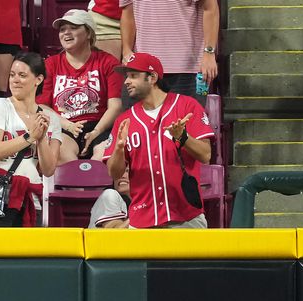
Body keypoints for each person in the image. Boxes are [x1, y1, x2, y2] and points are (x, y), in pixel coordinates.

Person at [102, 52, 214, 228]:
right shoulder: (124, 121)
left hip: (186, 217)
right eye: (126, 76)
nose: (126, 81)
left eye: (133, 76)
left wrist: (183, 137)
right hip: (142, 220)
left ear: (152, 77)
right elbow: (114, 173)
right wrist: (118, 148)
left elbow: (206, 155)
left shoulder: (187, 106)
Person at [0, 51, 61, 226]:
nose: (15, 80)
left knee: (28, 253)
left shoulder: (50, 119)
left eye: (22, 75)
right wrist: (29, 137)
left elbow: (48, 169)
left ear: (38, 79)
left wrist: (41, 138)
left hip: (31, 199)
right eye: (12, 75)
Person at [37, 10, 122, 162]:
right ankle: (74, 185)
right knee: (59, 153)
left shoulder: (108, 62)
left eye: (74, 27)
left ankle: (100, 186)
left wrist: (96, 131)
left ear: (88, 33)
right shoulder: (50, 64)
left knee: (104, 155)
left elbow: (115, 106)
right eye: (62, 29)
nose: (66, 33)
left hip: (99, 126)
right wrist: (69, 126)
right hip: (64, 126)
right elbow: (42, 107)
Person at [121, 0, 220, 100]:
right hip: (142, 69)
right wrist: (126, 50)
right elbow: (128, 12)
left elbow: (211, 9)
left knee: (187, 115)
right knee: (137, 115)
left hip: (188, 70)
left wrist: (209, 53)